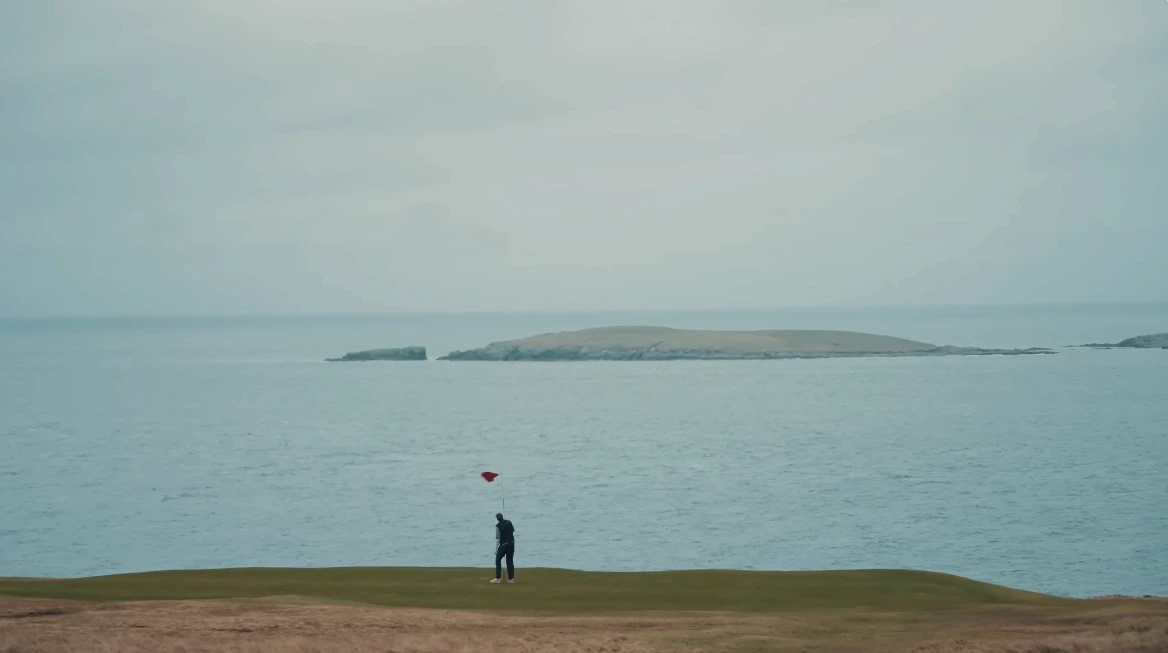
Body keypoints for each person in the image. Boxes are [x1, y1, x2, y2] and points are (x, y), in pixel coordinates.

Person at [490, 512, 516, 584]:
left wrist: (496, 548)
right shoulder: (509, 522)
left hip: (504, 545)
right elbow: (513, 530)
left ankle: (498, 578)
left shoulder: (498, 526)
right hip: (511, 544)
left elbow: (498, 538)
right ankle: (511, 579)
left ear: (497, 518)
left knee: (498, 559)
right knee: (510, 561)